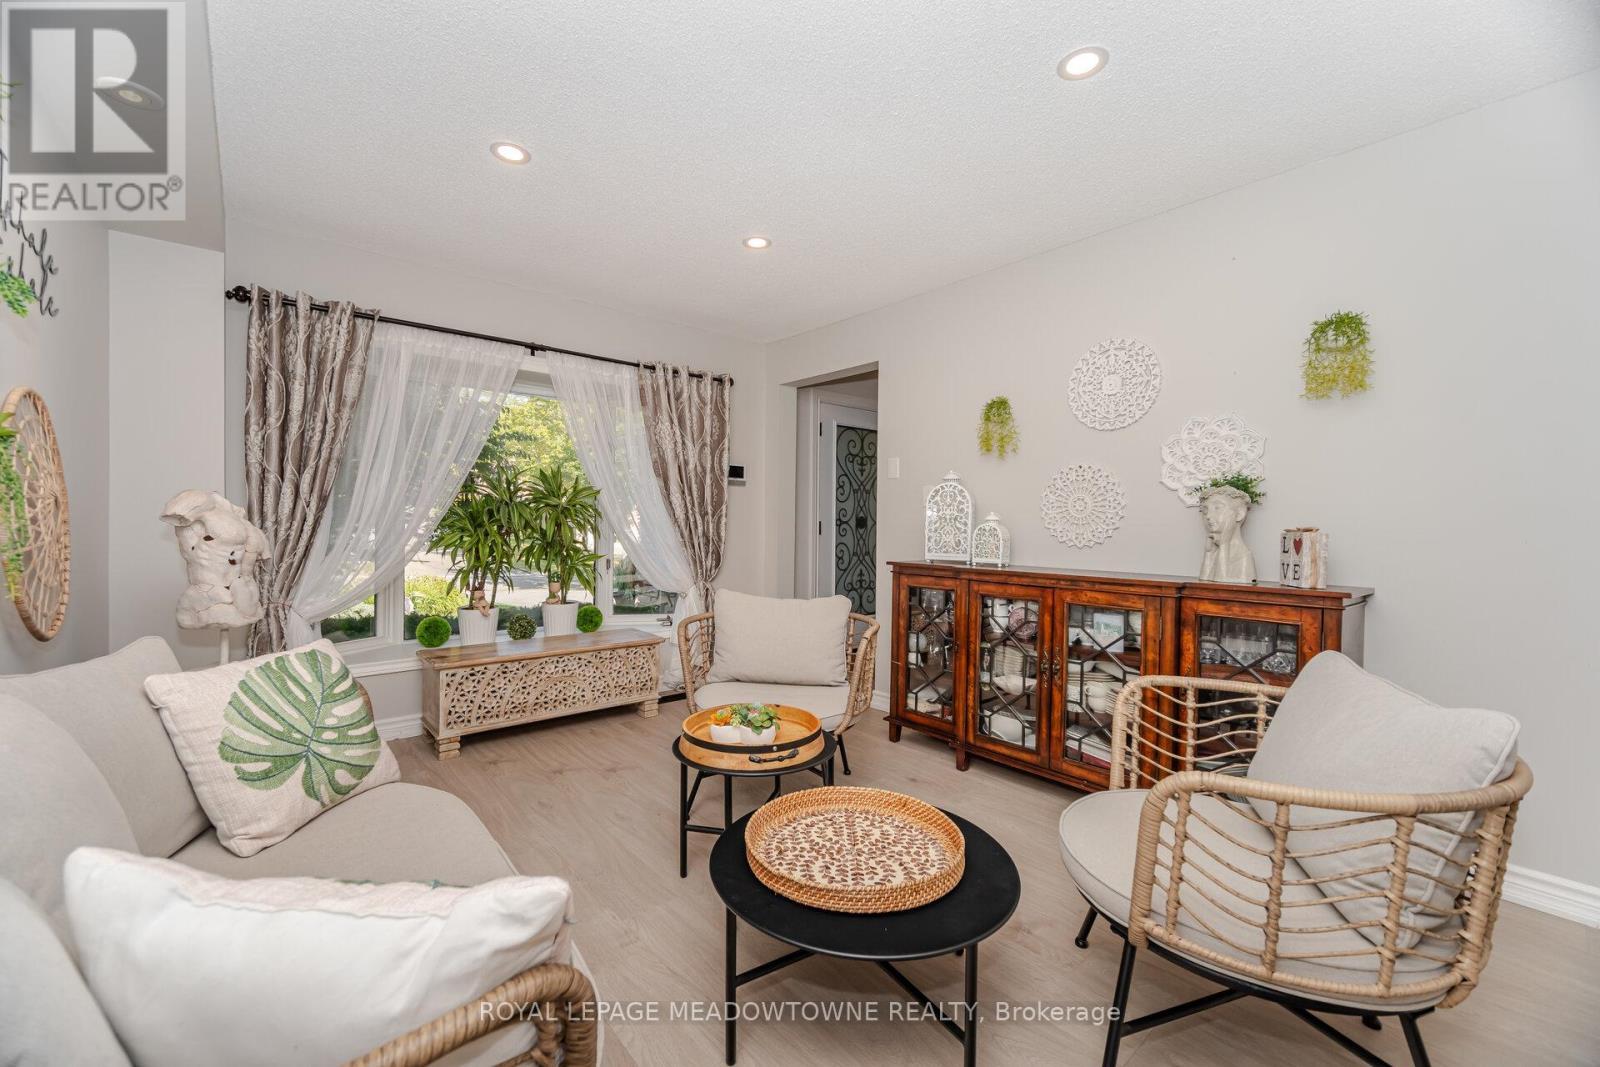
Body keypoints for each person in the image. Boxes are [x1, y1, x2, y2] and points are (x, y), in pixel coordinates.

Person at [1198, 485, 1256, 583]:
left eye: (1217, 508)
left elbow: (1221, 583)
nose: (1208, 516)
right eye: (1206, 510)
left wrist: (1224, 545)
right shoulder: (1213, 552)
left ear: (1239, 514)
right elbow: (1204, 581)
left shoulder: (1244, 557)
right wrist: (1208, 553)